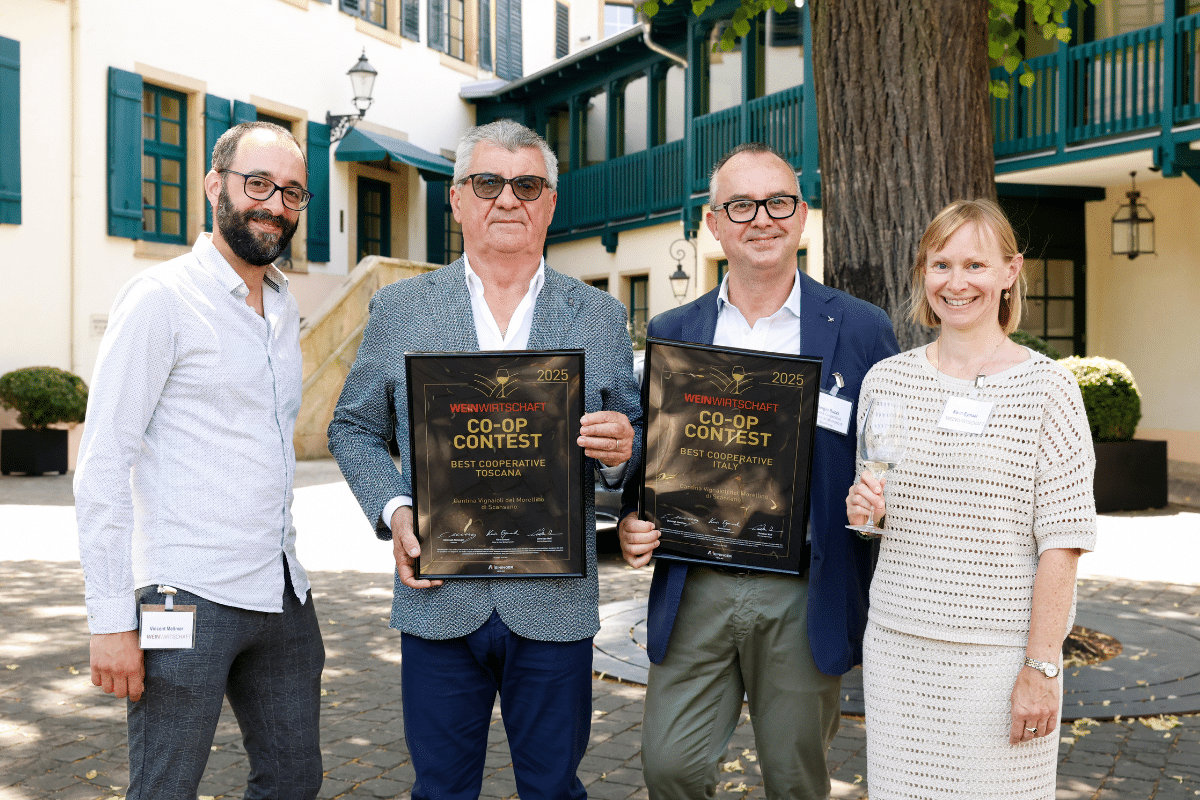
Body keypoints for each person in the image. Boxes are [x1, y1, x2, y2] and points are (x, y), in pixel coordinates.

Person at [326, 119, 641, 800]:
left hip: (554, 602)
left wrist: (623, 449)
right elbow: (352, 427)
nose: (507, 199)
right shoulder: (401, 309)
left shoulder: (598, 315)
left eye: (527, 184)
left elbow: (630, 438)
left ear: (550, 203)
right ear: (457, 199)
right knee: (439, 792)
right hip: (440, 600)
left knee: (555, 791)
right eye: (488, 182)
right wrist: (395, 508)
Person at [619, 142, 900, 800]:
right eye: (740, 205)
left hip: (805, 588)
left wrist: (884, 501)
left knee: (795, 779)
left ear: (802, 216)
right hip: (698, 583)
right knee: (670, 767)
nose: (761, 219)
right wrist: (637, 523)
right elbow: (654, 463)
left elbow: (892, 454)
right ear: (714, 223)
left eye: (778, 202)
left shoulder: (861, 330)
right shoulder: (674, 329)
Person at [74, 121, 324, 799]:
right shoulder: (161, 299)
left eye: (292, 192)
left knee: (295, 782)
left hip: (281, 592)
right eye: (258, 184)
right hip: (183, 597)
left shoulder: (281, 307)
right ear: (216, 186)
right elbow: (102, 463)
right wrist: (110, 621)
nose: (274, 203)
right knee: (165, 788)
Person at [845, 199, 1097, 799]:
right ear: (923, 273)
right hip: (900, 650)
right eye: (941, 265)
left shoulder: (1049, 388)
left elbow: (1063, 544)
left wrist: (1041, 667)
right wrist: (866, 516)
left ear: (1010, 272)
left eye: (975, 265)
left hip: (1001, 658)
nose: (956, 283)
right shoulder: (886, 380)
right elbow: (876, 514)